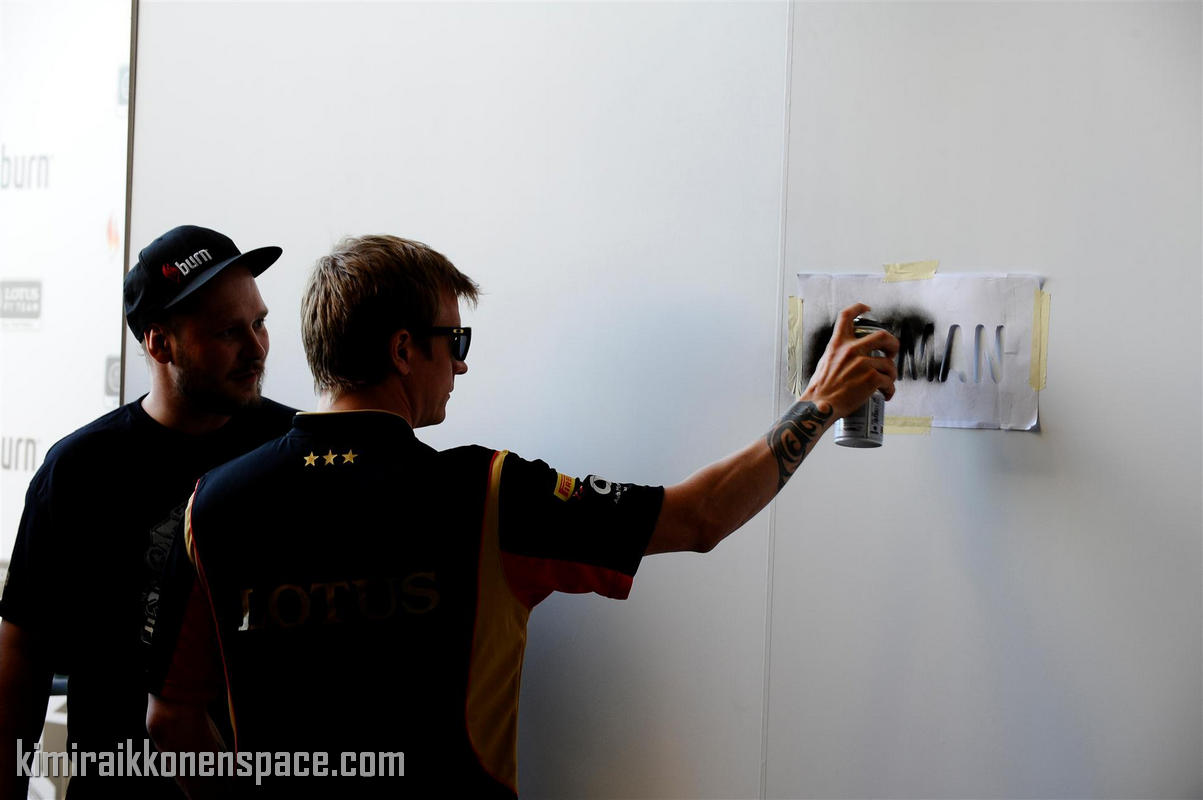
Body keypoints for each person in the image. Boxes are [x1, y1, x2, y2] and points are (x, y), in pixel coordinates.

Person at [146, 235, 898, 798]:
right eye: (454, 340)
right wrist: (819, 403)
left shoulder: (212, 504)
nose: (462, 364)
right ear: (404, 350)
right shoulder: (485, 492)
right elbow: (699, 518)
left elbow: (170, 721)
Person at [0, 225, 297, 799]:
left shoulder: (293, 450)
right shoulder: (79, 471)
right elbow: (24, 657)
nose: (257, 348)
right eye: (228, 332)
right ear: (161, 344)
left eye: (259, 323)